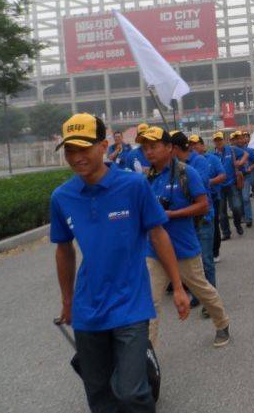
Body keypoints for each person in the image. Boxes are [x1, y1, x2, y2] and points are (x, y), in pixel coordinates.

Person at [51, 113, 190, 413]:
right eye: (69, 150)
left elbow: (158, 234)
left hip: (131, 303)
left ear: (103, 146)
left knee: (131, 392)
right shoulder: (62, 197)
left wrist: (178, 286)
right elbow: (64, 249)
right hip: (89, 309)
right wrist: (67, 300)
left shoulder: (134, 186)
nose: (76, 157)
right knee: (99, 394)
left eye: (83, 148)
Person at [140, 126, 231, 348]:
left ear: (169, 148)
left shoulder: (186, 173)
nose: (148, 152)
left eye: (153, 146)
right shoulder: (147, 178)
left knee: (203, 290)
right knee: (149, 301)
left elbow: (202, 206)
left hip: (184, 248)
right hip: (155, 252)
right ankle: (145, 354)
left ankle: (222, 324)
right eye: (145, 148)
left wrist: (172, 214)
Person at [171, 132, 218, 317]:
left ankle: (211, 302)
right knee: (192, 263)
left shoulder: (198, 162)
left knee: (206, 261)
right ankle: (198, 295)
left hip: (203, 218)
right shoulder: (169, 168)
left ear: (173, 148)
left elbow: (199, 185)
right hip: (185, 222)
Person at [188, 135, 226, 262]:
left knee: (214, 225)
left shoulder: (213, 159)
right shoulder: (188, 162)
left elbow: (222, 175)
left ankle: (215, 251)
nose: (193, 147)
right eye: (191, 144)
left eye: (196, 144)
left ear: (203, 146)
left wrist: (208, 182)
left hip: (213, 196)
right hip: (196, 200)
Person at [213, 131, 244, 239]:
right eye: (216, 140)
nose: (218, 142)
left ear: (224, 140)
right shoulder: (213, 156)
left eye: (220, 140)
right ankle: (226, 233)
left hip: (231, 184)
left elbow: (246, 154)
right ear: (214, 142)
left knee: (236, 207)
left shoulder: (231, 150)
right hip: (219, 187)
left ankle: (237, 224)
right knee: (222, 213)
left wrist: (240, 163)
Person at [229, 131, 253, 228]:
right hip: (234, 178)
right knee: (238, 201)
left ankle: (249, 218)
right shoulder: (230, 150)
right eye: (236, 139)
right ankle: (242, 216)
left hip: (245, 176)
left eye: (240, 138)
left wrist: (248, 166)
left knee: (245, 198)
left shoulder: (248, 150)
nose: (238, 140)